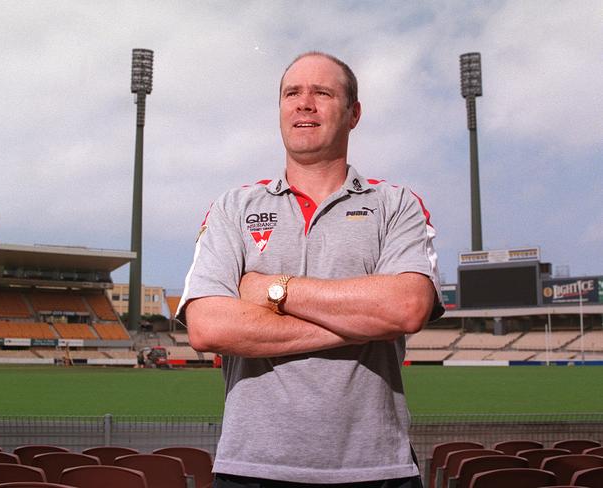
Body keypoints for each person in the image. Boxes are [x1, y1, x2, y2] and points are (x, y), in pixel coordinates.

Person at [177, 52, 444, 488]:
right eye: (292, 93)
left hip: (377, 470)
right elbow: (208, 329)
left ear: (353, 113)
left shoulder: (396, 204)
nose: (304, 103)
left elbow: (406, 310)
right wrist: (363, 322)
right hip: (250, 470)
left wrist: (270, 289)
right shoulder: (232, 207)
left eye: (322, 92)